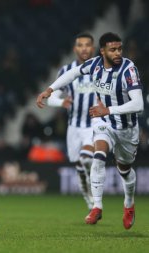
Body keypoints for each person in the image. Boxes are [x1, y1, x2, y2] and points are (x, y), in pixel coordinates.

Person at [37, 32, 144, 229]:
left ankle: (129, 203)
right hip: (104, 122)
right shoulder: (94, 65)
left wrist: (108, 109)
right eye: (113, 49)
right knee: (97, 156)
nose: (117, 53)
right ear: (102, 51)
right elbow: (72, 73)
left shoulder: (129, 69)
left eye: (119, 49)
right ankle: (97, 206)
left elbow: (138, 104)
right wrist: (50, 90)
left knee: (125, 170)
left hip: (127, 128)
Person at [47, 33, 96, 210]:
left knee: (86, 159)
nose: (84, 48)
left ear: (93, 47)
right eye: (80, 45)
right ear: (75, 49)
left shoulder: (101, 69)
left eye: (87, 45)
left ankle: (96, 200)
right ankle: (88, 197)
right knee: (79, 166)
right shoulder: (67, 71)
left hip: (94, 126)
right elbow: (51, 98)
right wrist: (62, 102)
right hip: (74, 127)